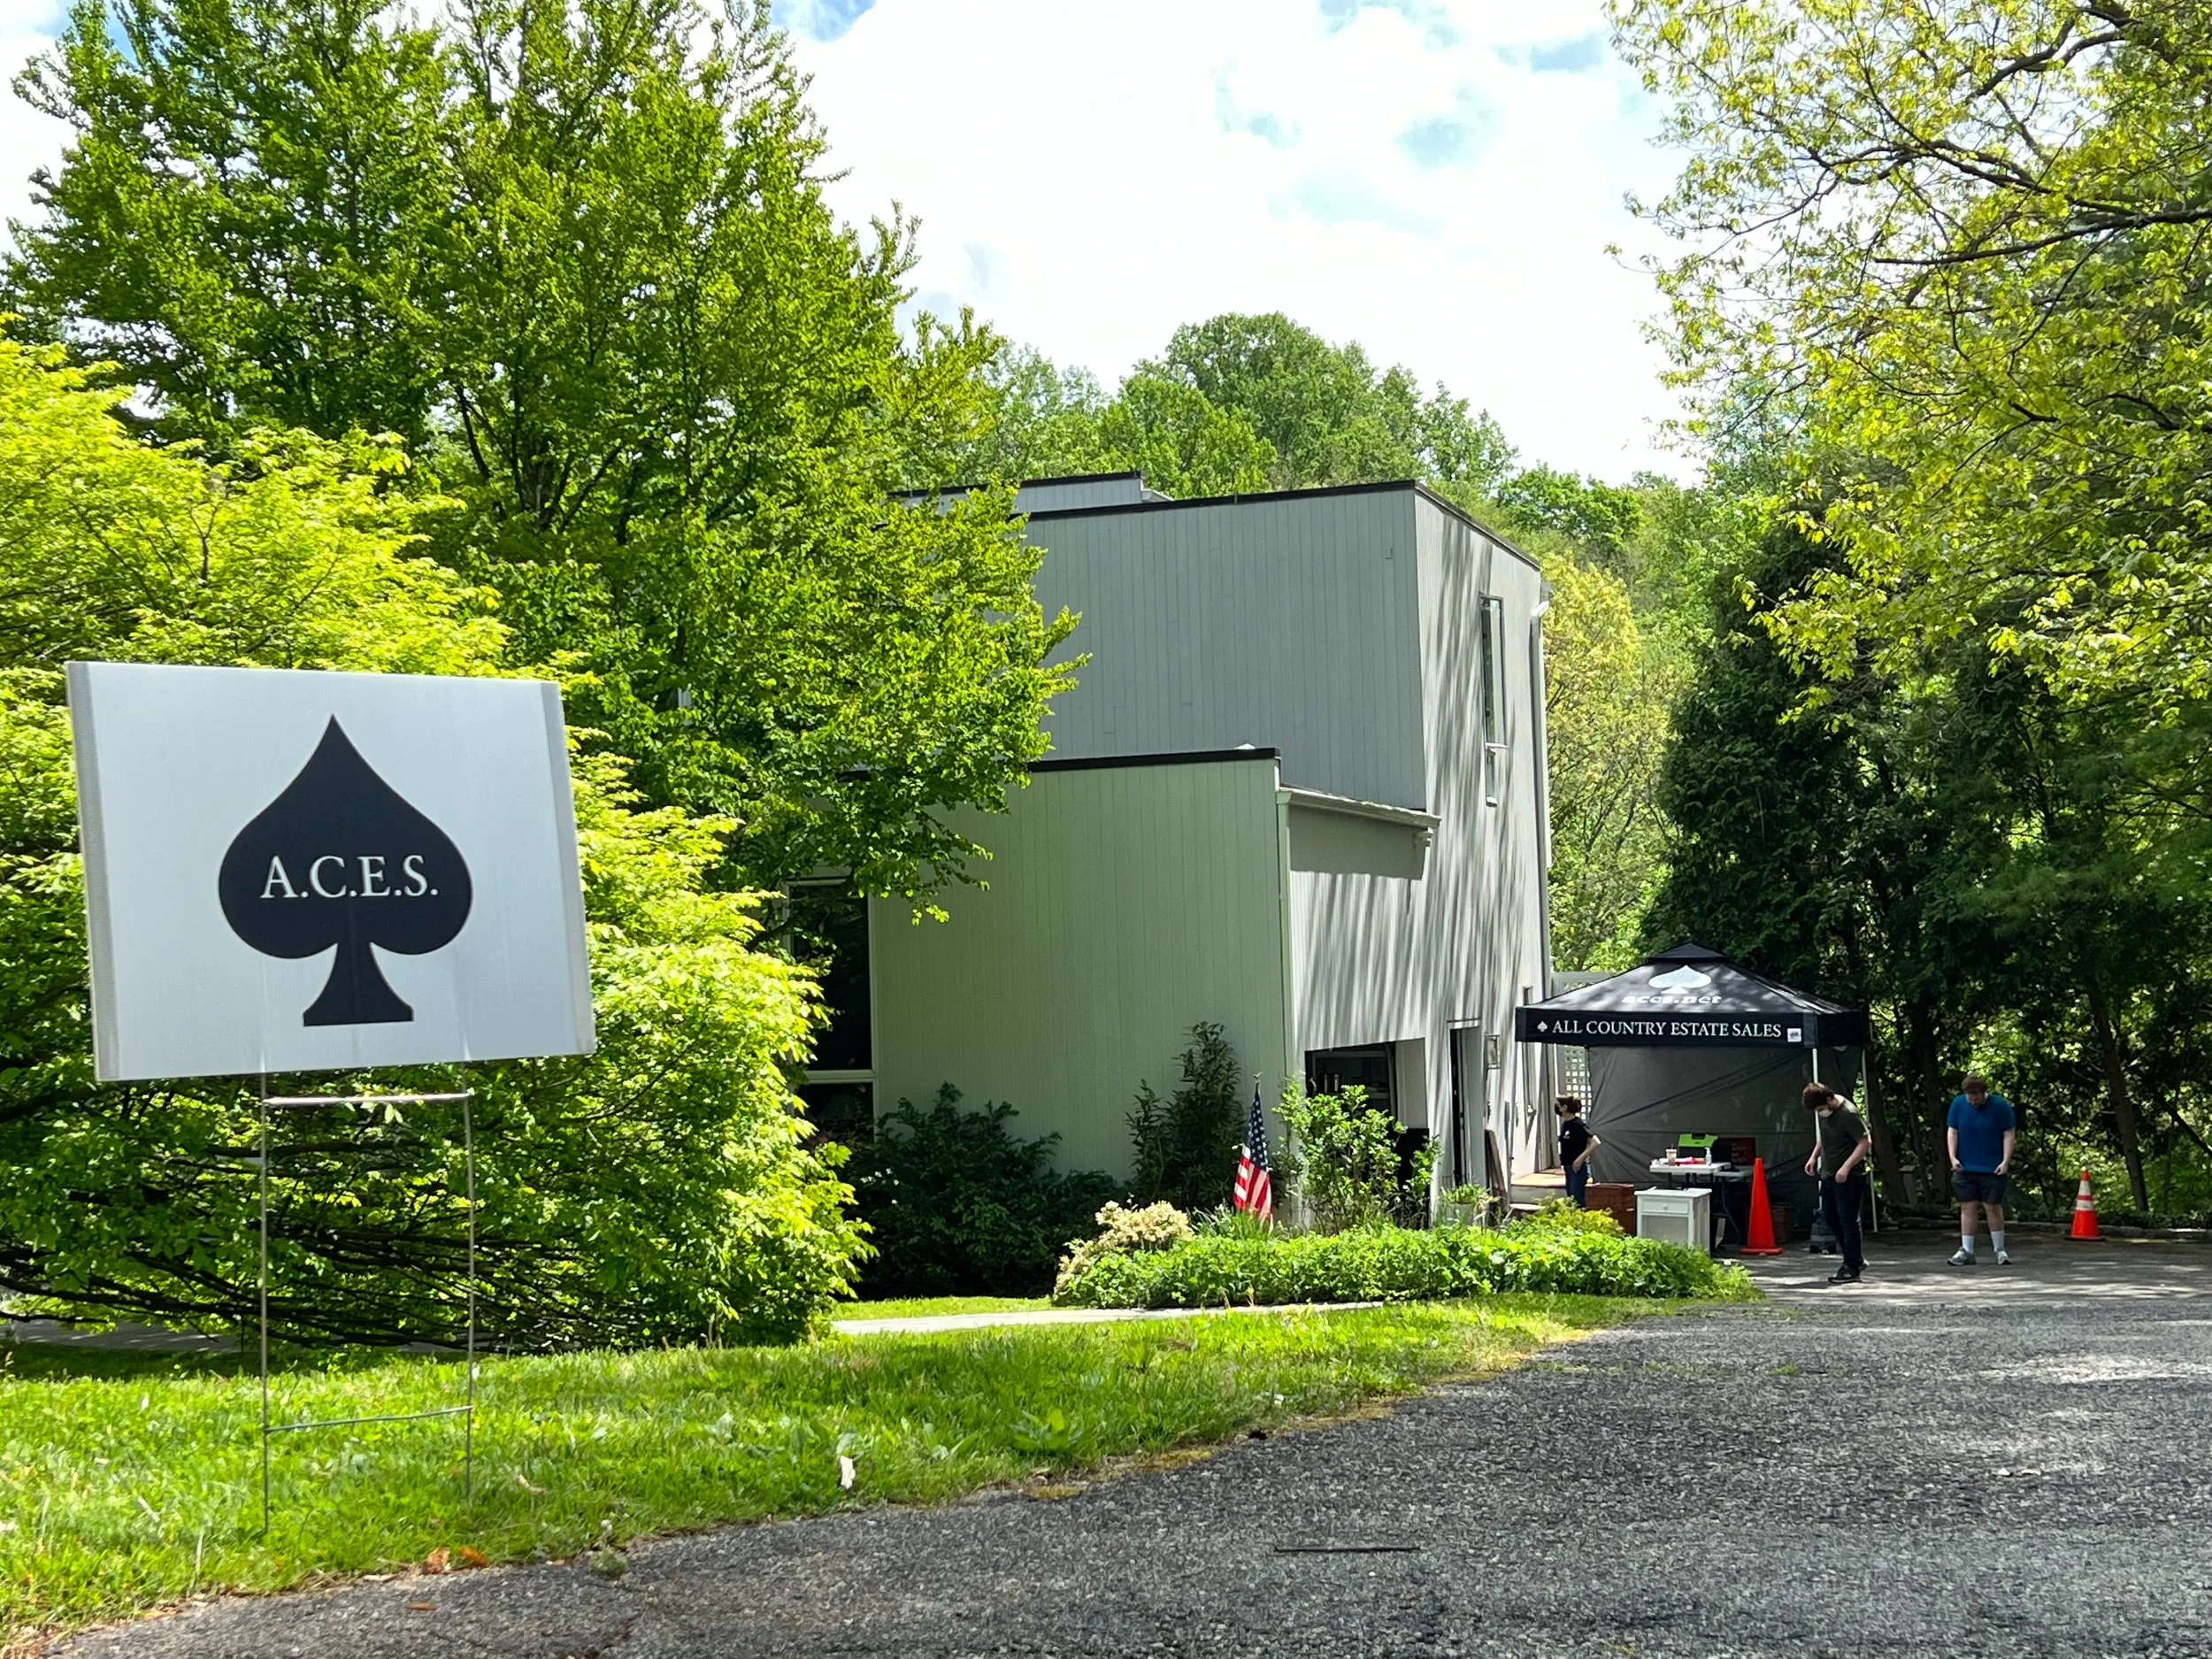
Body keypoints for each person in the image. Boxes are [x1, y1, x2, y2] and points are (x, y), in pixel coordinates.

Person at [1801, 1083, 1872, 1284]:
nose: (1819, 1113)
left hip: (1849, 1176)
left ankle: (1851, 1267)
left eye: (1819, 1109)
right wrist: (1814, 1157)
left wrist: (1847, 1167)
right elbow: (1824, 1137)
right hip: (1829, 1174)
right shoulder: (1825, 1112)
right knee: (1831, 1219)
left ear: (1828, 1099)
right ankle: (1856, 1258)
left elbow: (1865, 1142)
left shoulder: (1848, 1113)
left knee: (1848, 1220)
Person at [1947, 1072, 2017, 1266]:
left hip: (1991, 1167)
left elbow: (2008, 1134)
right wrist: (1953, 1157)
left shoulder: (2000, 1106)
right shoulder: (1958, 1104)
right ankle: (1967, 1250)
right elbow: (1953, 1131)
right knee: (1967, 1207)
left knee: (1992, 1206)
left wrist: (2005, 1161)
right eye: (1969, 1096)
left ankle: (1999, 1250)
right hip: (1965, 1166)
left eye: (1975, 1096)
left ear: (1984, 1093)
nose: (1972, 1100)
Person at [1557, 1096, 1599, 1206]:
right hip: (1568, 1166)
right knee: (1571, 1199)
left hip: (1577, 1168)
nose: (1556, 1108)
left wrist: (1580, 1159)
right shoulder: (1565, 1125)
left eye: (1558, 1105)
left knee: (1577, 1201)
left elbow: (1595, 1142)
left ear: (1564, 1107)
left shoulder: (1578, 1124)